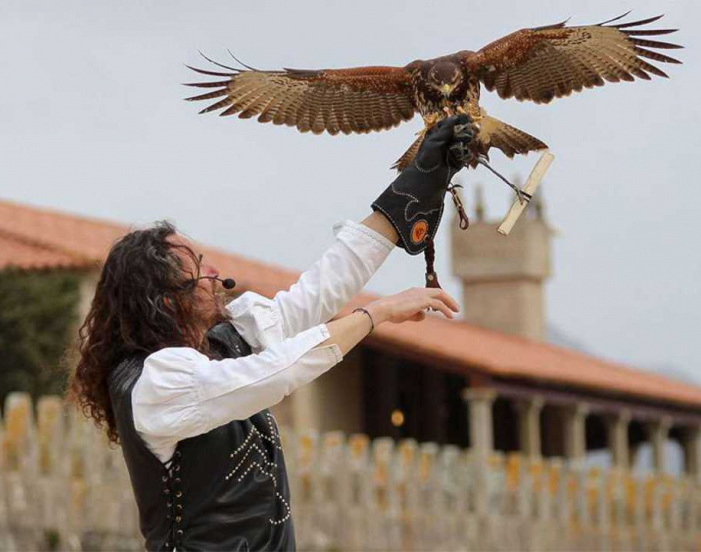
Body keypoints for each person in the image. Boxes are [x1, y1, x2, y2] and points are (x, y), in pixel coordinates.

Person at [69, 115, 477, 551]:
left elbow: (324, 286)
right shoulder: (157, 384)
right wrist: (373, 316)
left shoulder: (230, 341)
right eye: (198, 272)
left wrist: (423, 177)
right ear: (167, 300)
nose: (213, 274)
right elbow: (275, 375)